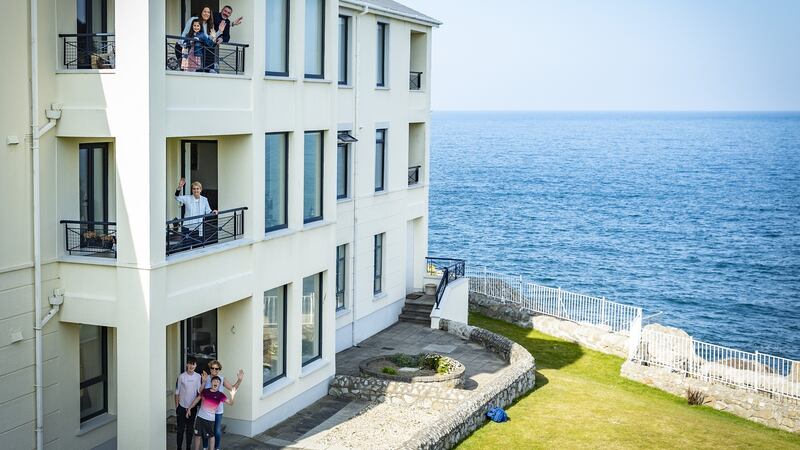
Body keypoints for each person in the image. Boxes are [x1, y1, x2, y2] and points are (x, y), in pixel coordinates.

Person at [200, 361, 244, 450]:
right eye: (212, 368)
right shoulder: (206, 378)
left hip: (218, 410)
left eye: (217, 368)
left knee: (216, 431)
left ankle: (216, 448)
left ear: (219, 370)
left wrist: (239, 380)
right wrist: (203, 382)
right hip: (206, 411)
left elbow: (232, 388)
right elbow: (200, 392)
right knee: (205, 431)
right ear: (210, 368)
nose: (214, 370)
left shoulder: (222, 379)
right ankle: (205, 447)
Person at [188, 373, 237, 450]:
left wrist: (232, 395)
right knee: (197, 435)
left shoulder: (221, 395)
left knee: (211, 436)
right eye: (214, 381)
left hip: (210, 420)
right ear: (211, 382)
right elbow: (197, 399)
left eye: (218, 381)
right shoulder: (205, 391)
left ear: (220, 384)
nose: (216, 382)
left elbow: (231, 403)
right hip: (200, 418)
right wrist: (189, 408)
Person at [174, 178, 217, 247]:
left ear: (200, 189)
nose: (196, 190)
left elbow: (208, 211)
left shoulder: (204, 199)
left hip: (198, 227)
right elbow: (176, 197)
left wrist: (213, 211)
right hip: (187, 227)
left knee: (198, 247)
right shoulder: (187, 198)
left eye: (197, 188)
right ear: (192, 190)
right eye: (194, 189)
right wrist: (179, 187)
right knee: (186, 247)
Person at [174, 357, 202, 450]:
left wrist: (205, 381)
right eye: (190, 363)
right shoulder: (181, 376)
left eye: (193, 364)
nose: (191, 366)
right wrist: (177, 407)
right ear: (187, 365)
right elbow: (177, 392)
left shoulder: (198, 376)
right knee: (180, 430)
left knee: (190, 430)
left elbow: (199, 391)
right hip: (182, 407)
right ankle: (179, 447)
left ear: (196, 365)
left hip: (192, 408)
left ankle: (188, 447)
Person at [181, 7, 218, 71]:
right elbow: (184, 42)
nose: (196, 27)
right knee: (187, 72)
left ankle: (210, 68)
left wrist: (214, 37)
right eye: (194, 26)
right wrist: (188, 42)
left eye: (198, 26)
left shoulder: (202, 35)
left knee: (196, 71)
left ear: (201, 27)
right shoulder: (189, 34)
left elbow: (209, 44)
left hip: (197, 56)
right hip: (188, 56)